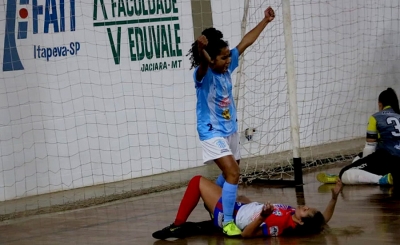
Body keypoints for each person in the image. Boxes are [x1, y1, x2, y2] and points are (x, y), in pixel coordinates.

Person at [187, 7, 275, 236]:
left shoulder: (226, 67)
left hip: (230, 130)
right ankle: (227, 222)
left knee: (231, 173)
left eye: (228, 56)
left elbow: (246, 42)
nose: (229, 60)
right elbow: (204, 63)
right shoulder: (204, 73)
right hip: (211, 131)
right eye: (224, 57)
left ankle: (215, 201)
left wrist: (265, 21)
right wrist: (200, 50)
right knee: (234, 173)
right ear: (211, 57)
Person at [152, 175, 343, 239]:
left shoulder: (279, 223)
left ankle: (177, 224)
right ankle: (210, 216)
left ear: (301, 221)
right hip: (242, 206)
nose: (305, 206)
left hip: (232, 215)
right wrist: (334, 198)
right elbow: (322, 220)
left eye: (306, 210)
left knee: (197, 182)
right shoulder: (297, 218)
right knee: (235, 185)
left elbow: (247, 236)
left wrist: (262, 215)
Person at [317, 88, 400, 186]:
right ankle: (359, 171)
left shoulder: (376, 117)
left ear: (380, 104)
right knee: (359, 156)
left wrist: (365, 164)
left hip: (386, 159)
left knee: (344, 173)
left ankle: (381, 179)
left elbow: (370, 147)